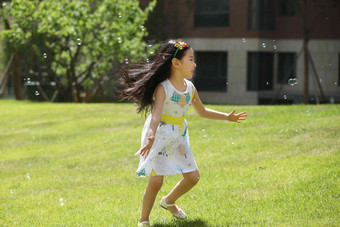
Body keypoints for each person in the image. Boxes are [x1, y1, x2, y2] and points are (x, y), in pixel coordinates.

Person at [119, 39, 247, 226]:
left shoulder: (190, 88)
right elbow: (155, 115)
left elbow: (202, 111)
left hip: (179, 135)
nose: (195, 64)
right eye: (191, 59)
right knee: (156, 181)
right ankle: (143, 220)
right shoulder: (164, 87)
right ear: (176, 63)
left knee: (193, 177)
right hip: (159, 134)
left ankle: (168, 201)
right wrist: (151, 135)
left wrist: (227, 117)